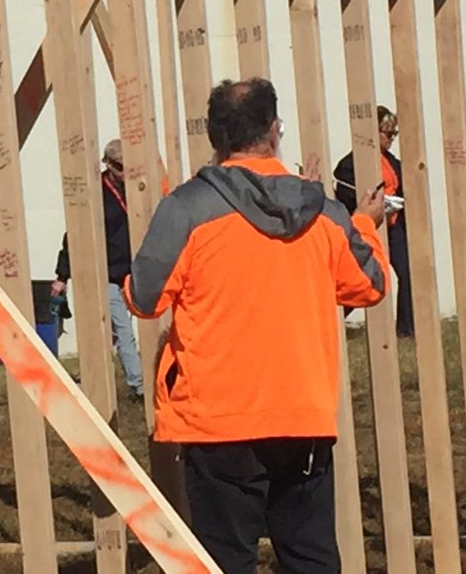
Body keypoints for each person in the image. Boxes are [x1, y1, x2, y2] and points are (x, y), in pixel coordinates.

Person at [126, 78, 389, 574]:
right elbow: (369, 286)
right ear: (274, 132)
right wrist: (366, 225)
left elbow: (143, 298)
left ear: (216, 138)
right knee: (310, 558)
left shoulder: (186, 209)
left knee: (224, 560)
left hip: (218, 422)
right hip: (301, 418)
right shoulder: (326, 216)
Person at [52, 139, 144, 401]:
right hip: (106, 274)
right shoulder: (96, 195)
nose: (126, 173)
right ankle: (138, 386)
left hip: (131, 271)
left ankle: (90, 377)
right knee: (123, 330)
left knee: (112, 334)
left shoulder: (137, 189)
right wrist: (62, 276)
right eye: (120, 167)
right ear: (108, 164)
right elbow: (75, 236)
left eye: (129, 167)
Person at [334, 105, 412, 337]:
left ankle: (406, 330)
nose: (391, 139)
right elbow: (347, 192)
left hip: (393, 226)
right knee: (361, 279)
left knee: (407, 275)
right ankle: (335, 319)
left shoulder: (391, 162)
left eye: (394, 134)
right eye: (388, 134)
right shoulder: (350, 164)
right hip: (368, 227)